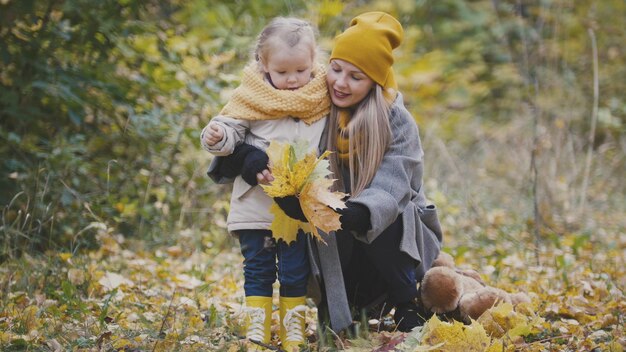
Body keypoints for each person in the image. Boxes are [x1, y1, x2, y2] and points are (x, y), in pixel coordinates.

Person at [215, 11, 443, 334]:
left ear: (375, 81)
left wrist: (336, 211)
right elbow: (263, 125)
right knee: (334, 317)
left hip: (395, 245)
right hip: (337, 245)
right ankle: (341, 305)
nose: (340, 82)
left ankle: (407, 298)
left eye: (355, 76)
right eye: (336, 69)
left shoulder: (396, 119)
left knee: (389, 213)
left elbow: (393, 188)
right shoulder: (317, 101)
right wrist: (245, 155)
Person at [200, 17, 330, 351]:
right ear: (263, 63)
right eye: (283, 72)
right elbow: (229, 129)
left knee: (295, 269)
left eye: (301, 70)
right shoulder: (252, 96)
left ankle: (294, 331)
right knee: (257, 267)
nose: (292, 80)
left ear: (313, 62)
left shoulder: (321, 98)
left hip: (296, 207)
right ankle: (257, 328)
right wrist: (218, 137)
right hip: (255, 205)